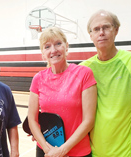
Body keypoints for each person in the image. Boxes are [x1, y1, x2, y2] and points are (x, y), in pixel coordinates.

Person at [80, 9, 131, 157]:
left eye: (106, 27)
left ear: (116, 30)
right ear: (91, 35)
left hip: (126, 153)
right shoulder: (83, 69)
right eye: (96, 29)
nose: (101, 32)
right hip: (91, 152)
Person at [27, 27, 97, 157]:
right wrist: (48, 150)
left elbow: (89, 120)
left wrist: (62, 151)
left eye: (58, 44)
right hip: (46, 150)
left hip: (78, 152)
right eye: (47, 46)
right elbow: (32, 119)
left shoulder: (84, 74)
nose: (53, 50)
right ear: (43, 52)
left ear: (66, 47)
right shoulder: (38, 79)